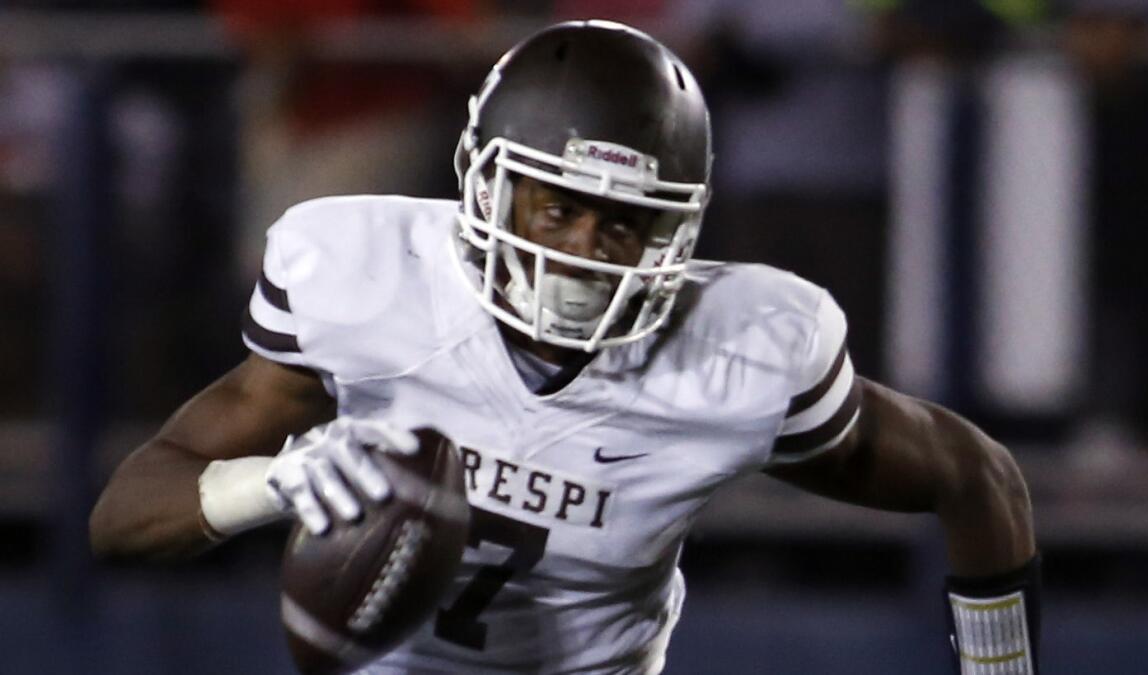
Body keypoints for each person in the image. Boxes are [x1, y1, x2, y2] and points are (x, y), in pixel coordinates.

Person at [90, 20, 1040, 674]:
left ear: (678, 231)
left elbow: (978, 477)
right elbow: (119, 518)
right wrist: (270, 482)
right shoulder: (368, 279)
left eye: (625, 222)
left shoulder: (740, 350)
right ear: (486, 185)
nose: (585, 250)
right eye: (558, 206)